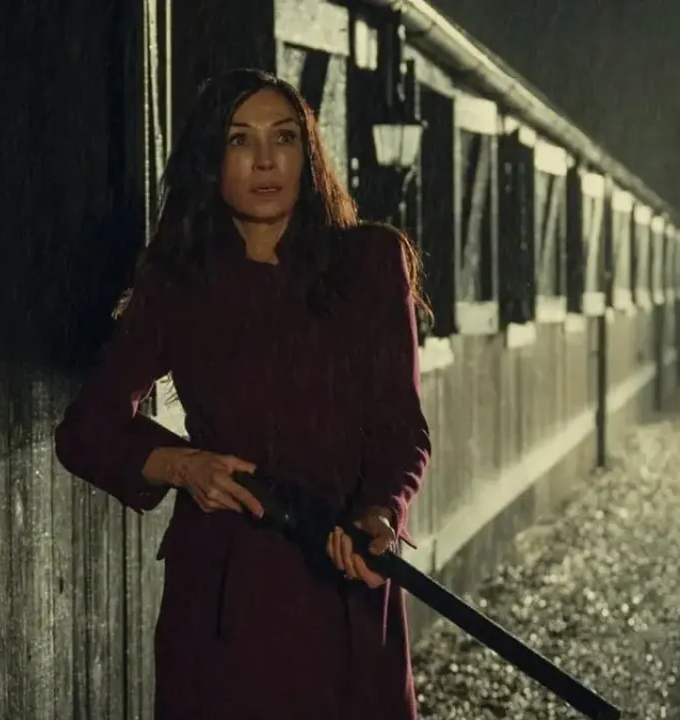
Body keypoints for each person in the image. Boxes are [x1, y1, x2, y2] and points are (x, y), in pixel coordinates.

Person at [55, 68, 432, 719]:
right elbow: (87, 431)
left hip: (343, 574)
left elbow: (402, 429)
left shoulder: (370, 263)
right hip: (225, 596)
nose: (264, 160)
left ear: (307, 153)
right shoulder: (177, 283)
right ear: (210, 159)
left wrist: (380, 515)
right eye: (239, 139)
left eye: (283, 138)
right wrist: (184, 466)